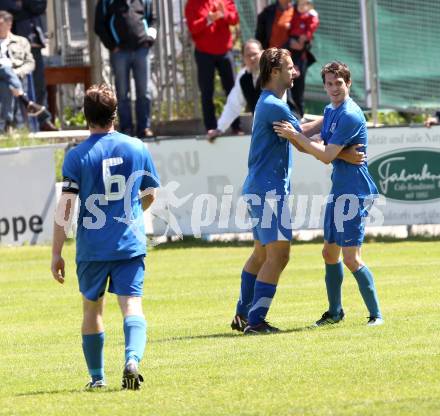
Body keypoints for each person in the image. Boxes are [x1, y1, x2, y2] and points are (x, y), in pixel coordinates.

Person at [51, 84, 160, 389]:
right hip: (129, 243)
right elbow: (150, 194)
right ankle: (132, 359)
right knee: (132, 306)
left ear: (86, 116)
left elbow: (66, 209)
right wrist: (132, 211)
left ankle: (97, 378)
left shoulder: (76, 156)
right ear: (116, 113)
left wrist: (56, 253)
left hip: (93, 248)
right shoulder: (137, 147)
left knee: (91, 309)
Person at [273, 61, 384, 327]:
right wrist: (295, 134)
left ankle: (376, 315)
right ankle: (335, 312)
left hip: (355, 192)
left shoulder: (349, 114)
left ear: (348, 83)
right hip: (340, 190)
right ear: (324, 86)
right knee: (328, 254)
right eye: (329, 83)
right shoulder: (330, 110)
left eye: (339, 83)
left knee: (350, 257)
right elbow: (309, 145)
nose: (334, 88)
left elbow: (324, 155)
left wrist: (298, 137)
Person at [95, 0, 157, 138]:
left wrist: (150, 39)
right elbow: (98, 25)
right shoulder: (106, 2)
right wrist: (112, 45)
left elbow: (152, 20)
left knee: (145, 91)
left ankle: (144, 128)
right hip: (120, 53)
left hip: (142, 50)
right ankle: (126, 129)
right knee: (122, 93)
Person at [185, 0, 242, 135]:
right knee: (206, 92)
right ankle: (210, 127)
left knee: (232, 90)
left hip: (224, 51)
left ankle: (236, 126)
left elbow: (235, 19)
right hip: (204, 52)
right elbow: (192, 28)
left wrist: (224, 14)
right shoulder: (192, 4)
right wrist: (208, 19)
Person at [0, 0, 57, 131]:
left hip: (29, 39)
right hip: (6, 41)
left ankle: (41, 121)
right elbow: (4, 9)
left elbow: (39, 6)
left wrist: (19, 7)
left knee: (38, 84)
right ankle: (27, 104)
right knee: (6, 73)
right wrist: (21, 8)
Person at [207, 39, 262, 141]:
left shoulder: (273, 72)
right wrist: (219, 129)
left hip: (286, 128)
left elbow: (283, 102)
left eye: (255, 54)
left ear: (262, 53)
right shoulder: (243, 77)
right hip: (262, 131)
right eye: (248, 55)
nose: (252, 58)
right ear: (243, 58)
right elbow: (233, 105)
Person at [287, 0, 319, 117]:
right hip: (288, 54)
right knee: (287, 86)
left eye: (306, 3)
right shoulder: (290, 13)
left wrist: (305, 38)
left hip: (300, 57)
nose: (303, 6)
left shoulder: (310, 17)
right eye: (301, 3)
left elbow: (311, 29)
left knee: (298, 87)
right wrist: (290, 41)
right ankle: (290, 113)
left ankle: (299, 114)